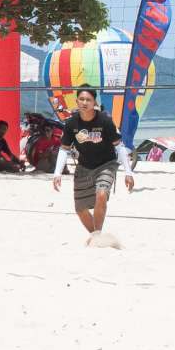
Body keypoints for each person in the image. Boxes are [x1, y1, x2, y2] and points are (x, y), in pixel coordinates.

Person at [52, 86, 135, 240]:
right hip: (83, 167)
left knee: (101, 195)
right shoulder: (71, 124)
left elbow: (120, 147)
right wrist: (57, 173)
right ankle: (97, 237)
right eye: (81, 99)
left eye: (88, 100)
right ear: (76, 101)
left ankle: (97, 235)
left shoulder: (105, 121)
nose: (84, 102)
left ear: (94, 102)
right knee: (80, 209)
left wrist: (128, 173)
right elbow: (64, 150)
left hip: (106, 164)